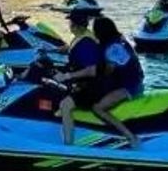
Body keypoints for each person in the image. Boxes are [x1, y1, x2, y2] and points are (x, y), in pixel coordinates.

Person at [56, 11, 145, 148]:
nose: (94, 32)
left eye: (96, 30)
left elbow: (103, 71)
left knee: (98, 108)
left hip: (129, 86)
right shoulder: (118, 40)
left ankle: (131, 137)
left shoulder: (111, 49)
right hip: (133, 79)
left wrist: (74, 78)